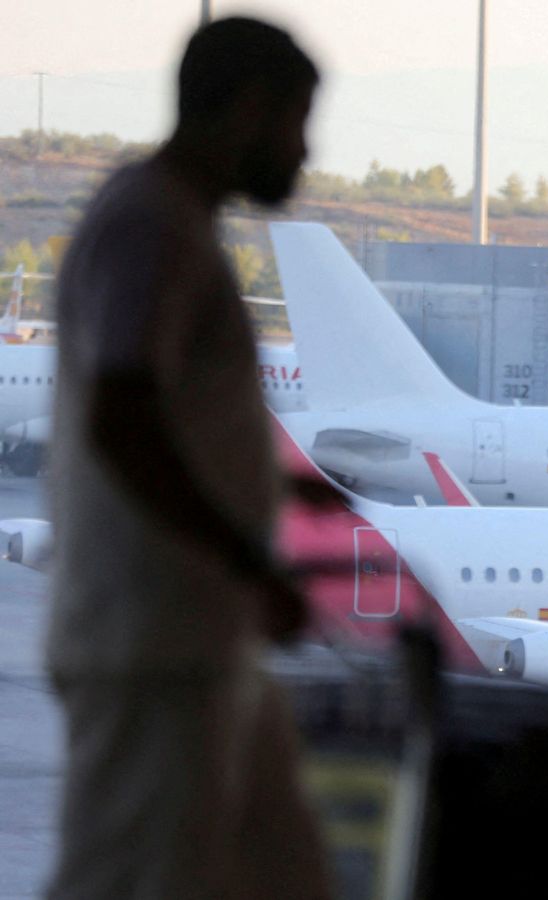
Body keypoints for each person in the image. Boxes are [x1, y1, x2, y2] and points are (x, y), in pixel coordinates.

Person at [47, 18, 333, 899]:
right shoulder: (151, 229)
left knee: (281, 872)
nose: (304, 150)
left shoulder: (171, 224)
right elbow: (122, 419)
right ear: (249, 111)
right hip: (154, 643)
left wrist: (277, 488)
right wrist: (249, 558)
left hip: (198, 639)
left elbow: (163, 423)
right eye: (296, 122)